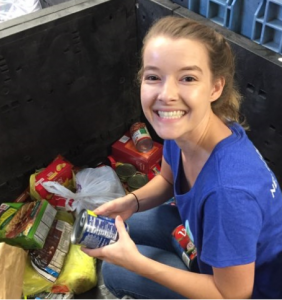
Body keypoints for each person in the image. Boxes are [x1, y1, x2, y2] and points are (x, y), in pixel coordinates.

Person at [81, 16, 282, 300]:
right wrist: (131, 202)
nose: (167, 95)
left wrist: (137, 264)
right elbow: (166, 179)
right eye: (154, 77)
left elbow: (232, 295)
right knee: (125, 224)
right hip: (216, 246)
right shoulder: (186, 129)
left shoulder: (229, 192)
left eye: (187, 78)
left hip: (246, 289)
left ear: (215, 87)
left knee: (116, 272)